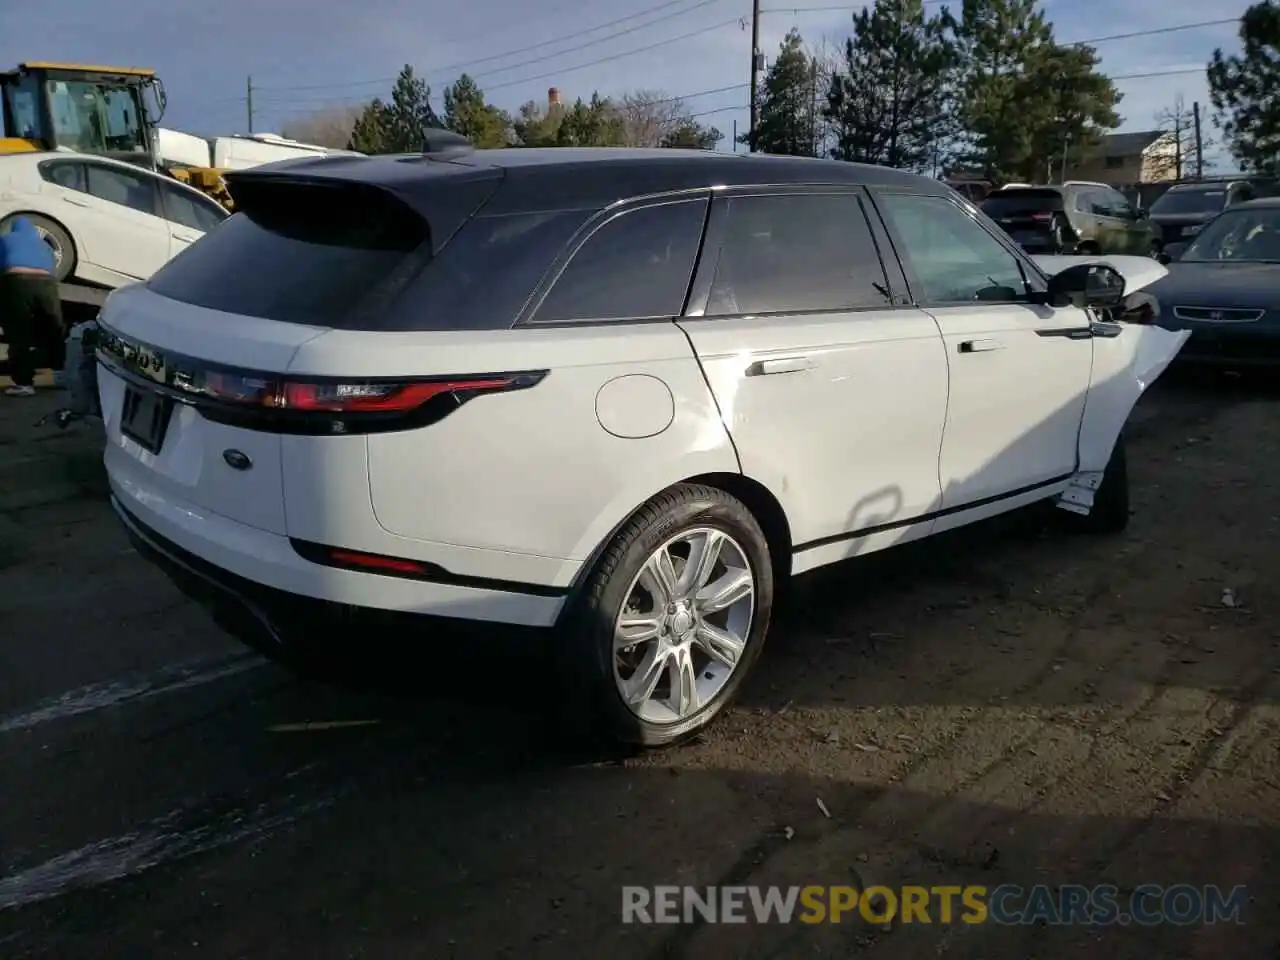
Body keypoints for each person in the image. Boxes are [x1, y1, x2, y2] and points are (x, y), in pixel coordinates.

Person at [0, 217, 65, 397]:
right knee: (54, 329)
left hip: (17, 282)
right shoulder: (45, 246)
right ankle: (61, 374)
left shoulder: (5, 240)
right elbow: (53, 270)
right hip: (47, 284)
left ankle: (24, 384)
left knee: (19, 333)